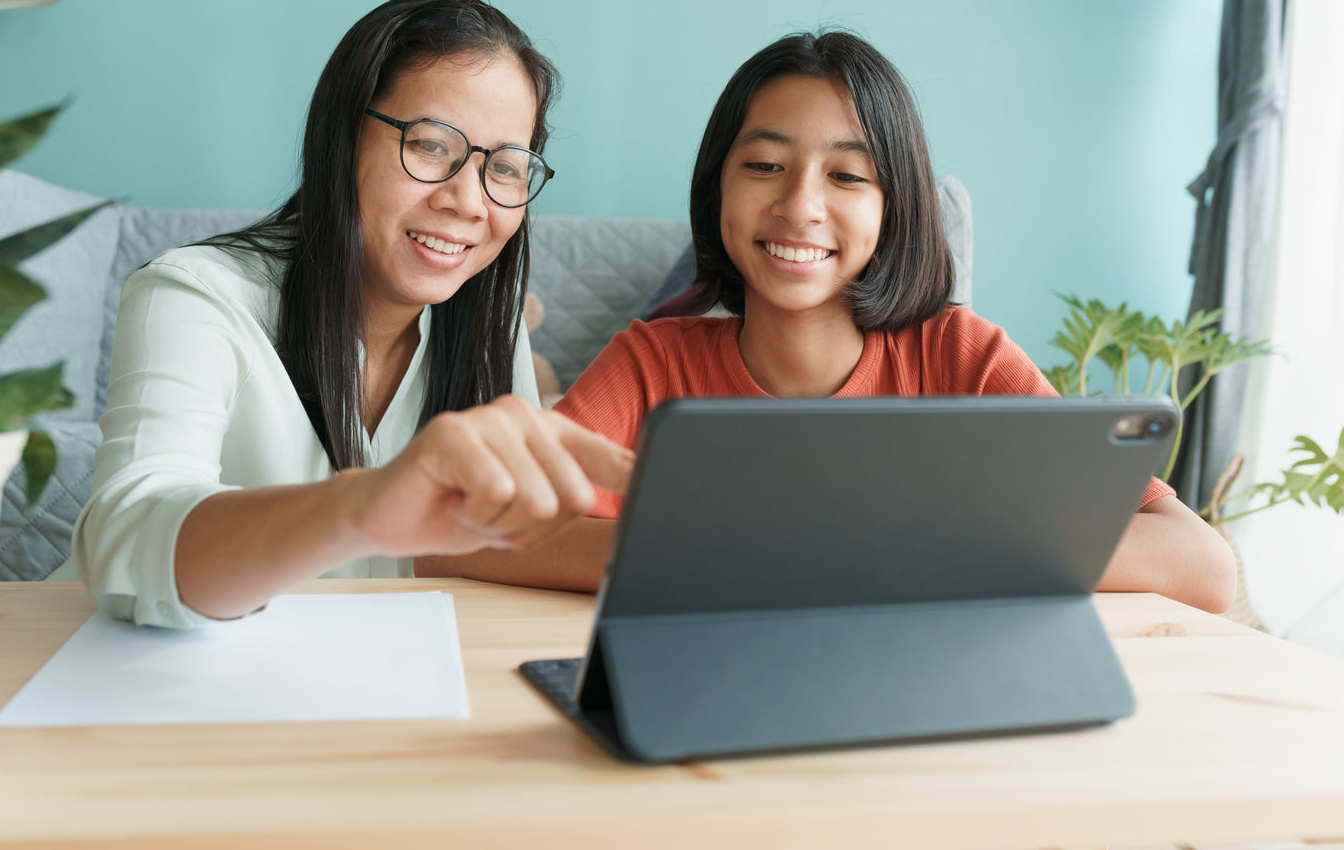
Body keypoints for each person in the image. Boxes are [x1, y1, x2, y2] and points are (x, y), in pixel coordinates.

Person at [420, 31, 1238, 614]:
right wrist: (725, 560)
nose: (800, 205)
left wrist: (909, 559)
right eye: (766, 166)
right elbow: (456, 539)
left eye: (848, 175)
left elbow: (1202, 563)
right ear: (718, 190)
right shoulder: (653, 362)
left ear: (896, 207)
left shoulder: (961, 356)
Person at [73, 0, 632, 628]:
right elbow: (123, 544)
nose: (470, 201)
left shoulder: (487, 321)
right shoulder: (193, 294)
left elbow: (496, 538)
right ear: (341, 139)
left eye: (505, 167)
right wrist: (360, 508)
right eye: (429, 145)